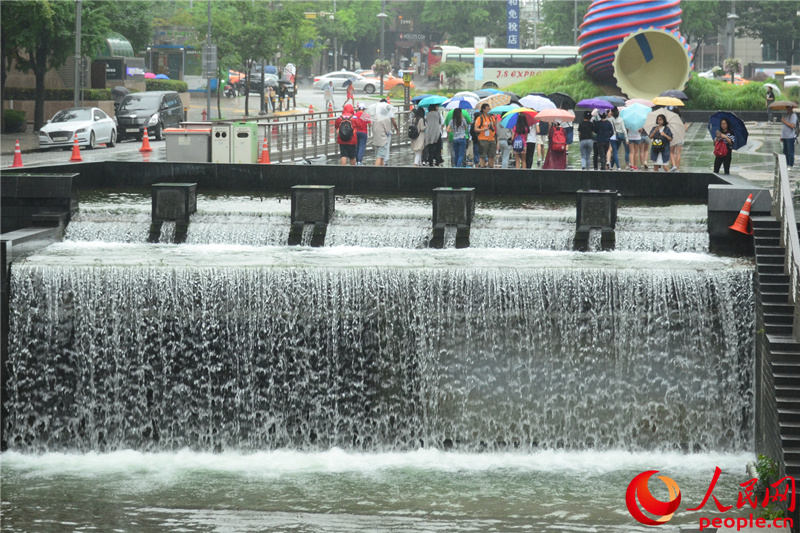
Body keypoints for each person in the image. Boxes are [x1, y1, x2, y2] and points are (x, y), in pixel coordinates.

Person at [373, 101, 398, 166]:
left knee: (380, 157)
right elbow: (388, 130)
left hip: (376, 139)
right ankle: (375, 172)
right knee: (380, 157)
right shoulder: (385, 118)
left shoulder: (376, 116)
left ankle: (381, 170)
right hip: (383, 140)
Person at [475, 103, 497, 168]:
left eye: (490, 109)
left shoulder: (492, 117)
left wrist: (495, 119)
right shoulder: (480, 118)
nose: (489, 110)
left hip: (492, 139)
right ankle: (482, 167)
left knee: (492, 155)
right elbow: (475, 129)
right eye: (488, 109)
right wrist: (483, 129)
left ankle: (491, 167)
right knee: (482, 155)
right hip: (482, 139)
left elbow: (495, 126)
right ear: (484, 109)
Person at [668, 108, 687, 172]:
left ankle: (673, 166)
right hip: (680, 137)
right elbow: (685, 128)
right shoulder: (682, 119)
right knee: (678, 153)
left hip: (673, 138)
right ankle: (677, 168)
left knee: (671, 152)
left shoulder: (671, 120)